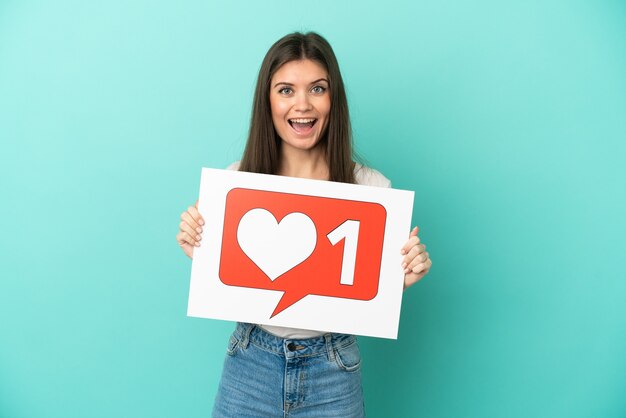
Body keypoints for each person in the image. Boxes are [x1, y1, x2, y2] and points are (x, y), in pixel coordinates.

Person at [176, 32, 432, 417]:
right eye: (285, 90)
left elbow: (368, 289)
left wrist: (400, 276)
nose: (302, 104)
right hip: (250, 363)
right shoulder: (235, 184)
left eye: (317, 88)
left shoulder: (372, 189)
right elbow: (232, 279)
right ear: (268, 100)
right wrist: (200, 245)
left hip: (334, 368)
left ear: (334, 99)